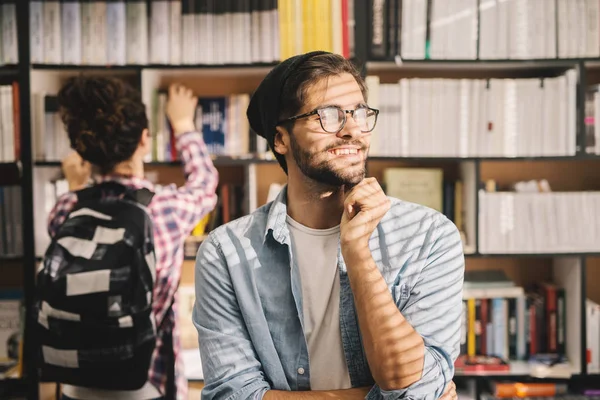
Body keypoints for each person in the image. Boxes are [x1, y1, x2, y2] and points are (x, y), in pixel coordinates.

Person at [193, 50, 464, 399]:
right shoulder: (226, 254)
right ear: (280, 139)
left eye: (360, 114)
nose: (352, 130)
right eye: (328, 116)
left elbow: (414, 384)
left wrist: (357, 252)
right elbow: (233, 396)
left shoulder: (429, 237)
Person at [47, 77, 219, 400]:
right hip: (145, 382)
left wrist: (75, 184)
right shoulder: (166, 209)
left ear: (82, 151)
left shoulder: (65, 209)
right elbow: (205, 183)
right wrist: (183, 123)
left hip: (75, 383)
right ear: (144, 140)